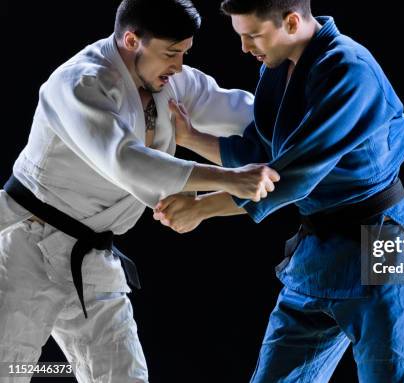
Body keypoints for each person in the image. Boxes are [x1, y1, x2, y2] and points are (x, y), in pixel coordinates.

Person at [0, 0, 280, 382]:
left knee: (124, 377)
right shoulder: (80, 82)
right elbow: (126, 160)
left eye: (184, 53)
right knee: (8, 368)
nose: (179, 66)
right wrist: (227, 177)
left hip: (92, 257)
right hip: (27, 247)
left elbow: (238, 111)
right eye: (171, 53)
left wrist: (307, 120)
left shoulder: (170, 80)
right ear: (132, 40)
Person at [155, 0, 404, 381]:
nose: (245, 47)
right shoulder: (279, 67)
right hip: (318, 255)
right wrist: (191, 138)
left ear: (291, 21)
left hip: (382, 248)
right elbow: (262, 152)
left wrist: (203, 207)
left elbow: (295, 174)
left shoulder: (350, 70)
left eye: (253, 35)